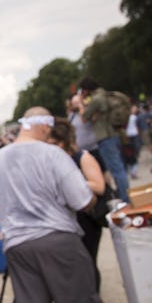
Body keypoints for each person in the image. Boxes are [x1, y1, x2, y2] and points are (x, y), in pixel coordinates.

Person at [0, 107, 114, 303]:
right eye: (48, 128)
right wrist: (93, 198)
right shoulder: (53, 154)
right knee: (77, 292)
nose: (50, 133)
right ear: (42, 127)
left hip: (17, 243)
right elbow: (81, 199)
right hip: (57, 236)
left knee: (30, 300)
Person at [48, 117, 107, 291]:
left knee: (88, 262)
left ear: (64, 142)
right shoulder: (53, 162)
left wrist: (71, 181)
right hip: (67, 219)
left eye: (54, 143)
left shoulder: (83, 157)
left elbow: (99, 186)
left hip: (87, 217)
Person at [79, 78, 130, 201]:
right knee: (119, 168)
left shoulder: (96, 100)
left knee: (116, 170)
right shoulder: (107, 95)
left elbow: (84, 117)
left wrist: (81, 103)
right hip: (115, 134)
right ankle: (125, 195)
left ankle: (126, 198)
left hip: (105, 137)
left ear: (86, 89)